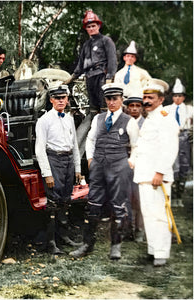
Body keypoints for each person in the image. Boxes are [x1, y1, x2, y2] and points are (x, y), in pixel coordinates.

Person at [69, 83, 139, 260]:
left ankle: (115, 245)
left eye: (115, 98)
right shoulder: (98, 119)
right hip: (99, 166)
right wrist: (91, 159)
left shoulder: (129, 121)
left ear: (121, 99)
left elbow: (137, 145)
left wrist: (130, 162)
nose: (112, 102)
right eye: (109, 99)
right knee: (93, 204)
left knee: (118, 204)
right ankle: (87, 244)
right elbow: (91, 140)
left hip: (118, 165)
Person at [133, 79, 179, 267]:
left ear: (161, 100)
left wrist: (160, 172)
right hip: (145, 175)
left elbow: (170, 148)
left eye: (150, 98)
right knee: (148, 214)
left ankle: (161, 253)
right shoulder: (150, 118)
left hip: (156, 176)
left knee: (159, 214)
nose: (146, 101)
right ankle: (153, 250)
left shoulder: (165, 117)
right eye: (144, 97)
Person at [35, 85, 82, 254]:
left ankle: (64, 236)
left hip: (68, 159)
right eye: (58, 98)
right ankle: (51, 242)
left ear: (67, 99)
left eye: (64, 97)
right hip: (53, 159)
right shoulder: (44, 121)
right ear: (51, 100)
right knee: (53, 201)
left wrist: (77, 168)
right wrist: (47, 173)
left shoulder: (69, 118)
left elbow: (75, 144)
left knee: (65, 199)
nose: (61, 101)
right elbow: (40, 149)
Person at [64, 10, 117, 114]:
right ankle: (94, 126)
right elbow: (80, 64)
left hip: (101, 75)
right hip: (89, 77)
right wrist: (72, 77)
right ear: (86, 29)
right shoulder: (86, 45)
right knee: (93, 107)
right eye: (89, 27)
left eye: (93, 26)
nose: (91, 28)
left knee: (104, 105)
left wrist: (109, 78)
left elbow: (112, 60)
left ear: (98, 26)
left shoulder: (106, 41)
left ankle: (105, 128)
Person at [165, 78, 193, 207]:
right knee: (172, 165)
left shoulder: (189, 109)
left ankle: (179, 196)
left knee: (184, 166)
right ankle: (172, 195)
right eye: (175, 96)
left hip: (185, 138)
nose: (177, 98)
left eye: (180, 96)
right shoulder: (166, 110)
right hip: (171, 137)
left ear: (183, 97)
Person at [123, 92, 145, 242]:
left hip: (143, 166)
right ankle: (128, 229)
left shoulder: (148, 124)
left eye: (138, 106)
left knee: (140, 199)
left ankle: (139, 230)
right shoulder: (124, 123)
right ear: (128, 108)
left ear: (142, 108)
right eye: (132, 106)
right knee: (126, 198)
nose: (135, 109)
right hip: (126, 165)